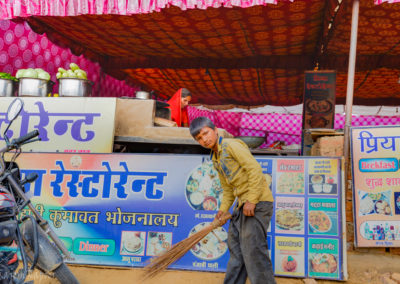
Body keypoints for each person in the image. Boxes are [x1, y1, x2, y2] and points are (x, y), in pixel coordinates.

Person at [189, 116, 275, 284]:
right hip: (242, 205)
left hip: (257, 203)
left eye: (206, 133)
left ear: (215, 130)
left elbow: (255, 170)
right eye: (199, 138)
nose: (204, 139)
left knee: (254, 251)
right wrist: (222, 210)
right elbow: (228, 189)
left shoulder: (231, 145)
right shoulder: (215, 158)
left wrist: (252, 200)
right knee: (237, 251)